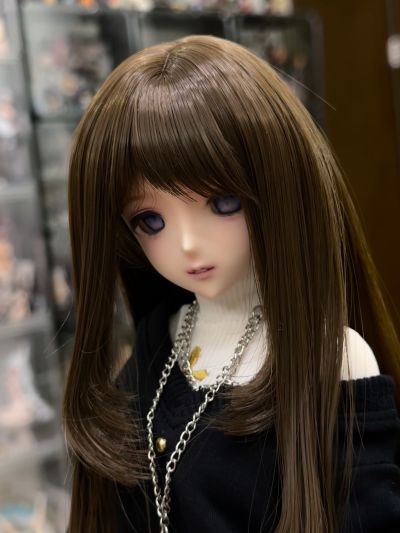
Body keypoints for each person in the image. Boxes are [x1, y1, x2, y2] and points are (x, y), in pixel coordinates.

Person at [63, 35, 400, 532]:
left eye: (223, 204)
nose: (188, 245)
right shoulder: (160, 341)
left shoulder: (331, 357)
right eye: (151, 221)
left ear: (280, 189)